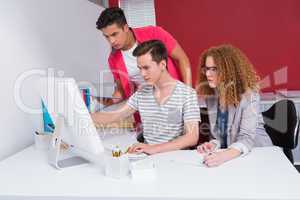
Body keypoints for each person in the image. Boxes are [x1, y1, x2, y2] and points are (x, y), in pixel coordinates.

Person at [92, 40, 200, 155]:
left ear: (162, 65)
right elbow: (114, 115)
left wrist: (153, 148)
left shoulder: (187, 94)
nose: (142, 74)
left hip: (174, 158)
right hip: (148, 157)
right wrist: (79, 117)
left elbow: (192, 137)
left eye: (146, 68)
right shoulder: (142, 93)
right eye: (140, 68)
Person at [96, 7, 192, 106]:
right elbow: (121, 92)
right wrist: (105, 101)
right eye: (107, 36)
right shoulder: (113, 60)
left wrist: (188, 96)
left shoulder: (154, 33)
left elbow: (182, 58)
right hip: (146, 108)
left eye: (114, 34)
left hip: (173, 98)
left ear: (125, 28)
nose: (111, 41)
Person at [196, 44, 272, 167]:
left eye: (214, 69)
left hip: (257, 154)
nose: (208, 74)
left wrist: (223, 156)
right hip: (232, 157)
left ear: (228, 70)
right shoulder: (212, 95)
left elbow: (247, 137)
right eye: (207, 68)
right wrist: (214, 144)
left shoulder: (249, 95)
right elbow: (219, 135)